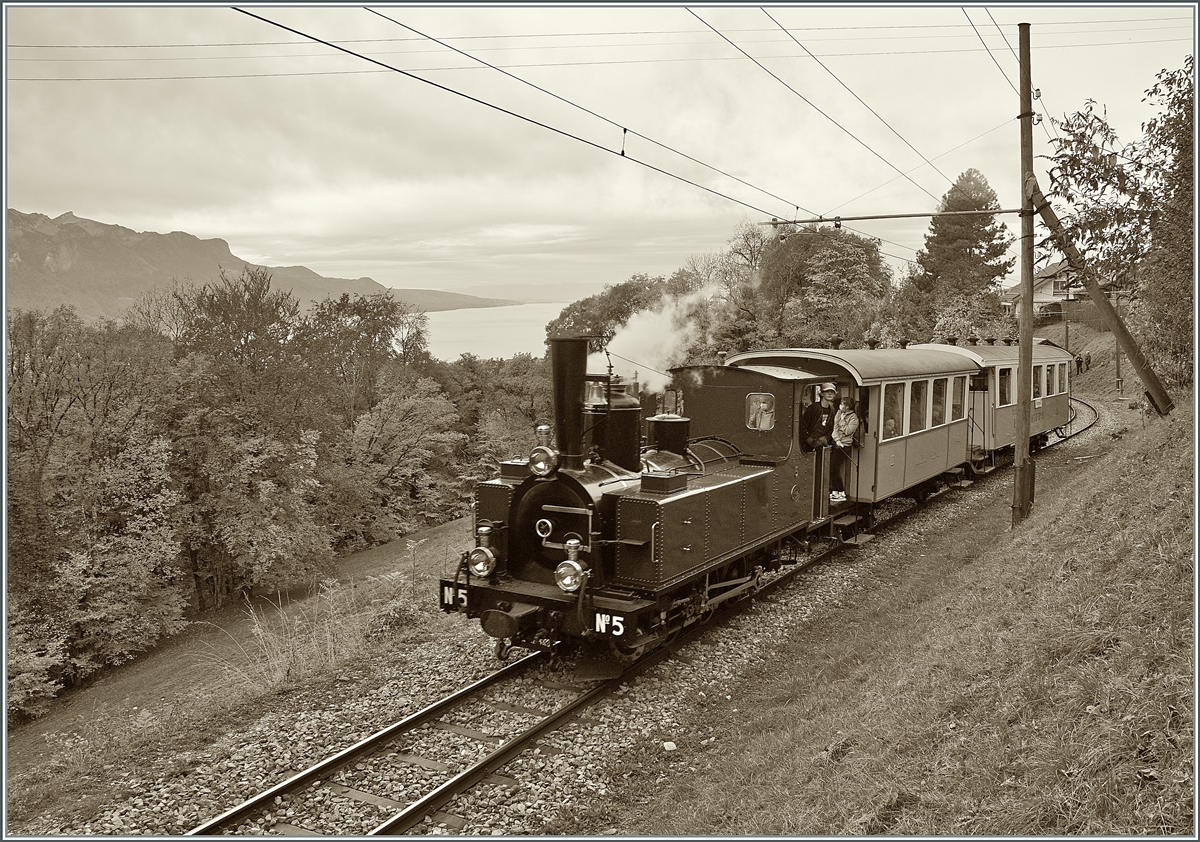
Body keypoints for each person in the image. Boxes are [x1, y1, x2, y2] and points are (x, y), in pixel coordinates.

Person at [829, 395, 859, 503]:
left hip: (845, 446)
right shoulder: (838, 413)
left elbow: (848, 431)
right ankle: (835, 492)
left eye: (843, 404)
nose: (840, 406)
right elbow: (835, 428)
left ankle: (841, 492)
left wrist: (841, 422)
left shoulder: (854, 418)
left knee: (834, 469)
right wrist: (837, 439)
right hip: (837, 443)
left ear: (848, 407)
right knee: (832, 469)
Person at [802, 383, 838, 451]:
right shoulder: (813, 408)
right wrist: (808, 439)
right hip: (808, 446)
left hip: (821, 446)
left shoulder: (832, 410)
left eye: (832, 392)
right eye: (827, 391)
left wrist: (825, 438)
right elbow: (803, 425)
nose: (830, 393)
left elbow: (831, 428)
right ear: (821, 393)